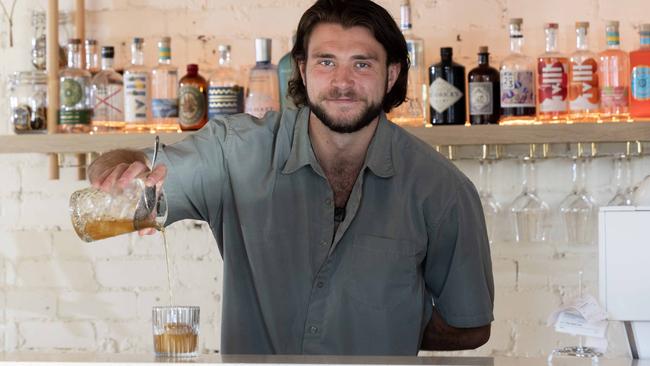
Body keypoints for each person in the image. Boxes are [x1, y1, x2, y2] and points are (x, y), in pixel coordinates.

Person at [88, 0, 494, 355]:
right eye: (326, 62)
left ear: (390, 75)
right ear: (303, 69)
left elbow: (471, 325)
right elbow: (135, 172)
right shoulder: (235, 152)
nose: (342, 83)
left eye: (362, 64)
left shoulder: (442, 189)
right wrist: (120, 169)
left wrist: (387, 326)